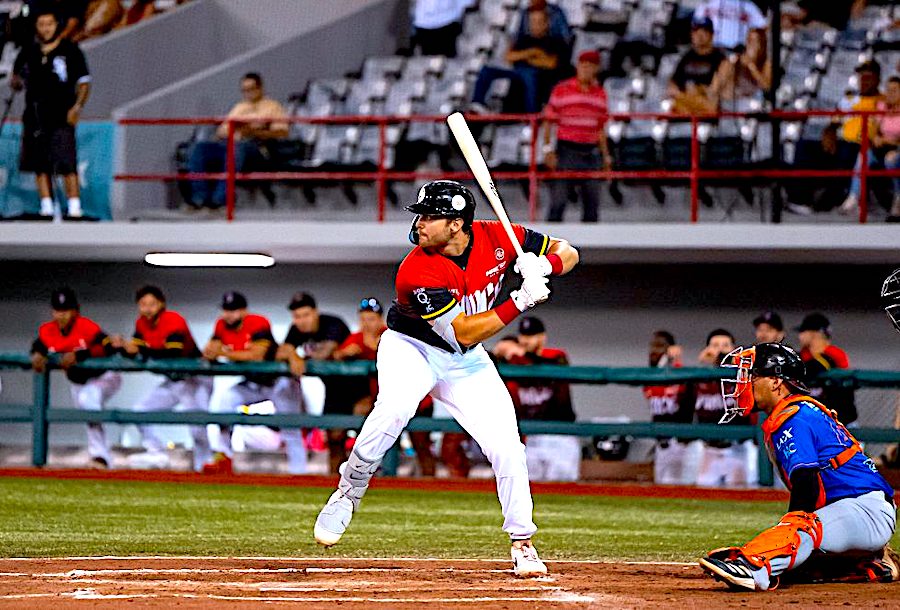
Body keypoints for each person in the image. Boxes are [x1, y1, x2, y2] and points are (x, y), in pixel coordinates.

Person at [313, 180, 579, 577]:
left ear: (457, 224)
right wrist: (521, 299)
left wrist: (546, 265)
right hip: (412, 348)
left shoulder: (500, 235)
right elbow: (465, 331)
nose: (420, 223)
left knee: (507, 446)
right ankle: (348, 491)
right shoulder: (415, 268)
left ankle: (522, 542)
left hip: (467, 362)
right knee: (395, 407)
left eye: (429, 216)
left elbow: (568, 250)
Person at [700, 342, 897, 591]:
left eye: (753, 375)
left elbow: (806, 483)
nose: (746, 382)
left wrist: (788, 531)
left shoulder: (793, 417)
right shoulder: (795, 410)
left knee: (801, 529)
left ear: (775, 382)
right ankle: (869, 565)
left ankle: (754, 568)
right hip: (856, 510)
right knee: (798, 562)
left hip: (864, 510)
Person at [110, 285, 213, 472]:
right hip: (174, 381)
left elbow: (171, 353)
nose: (148, 308)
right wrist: (122, 347)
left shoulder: (174, 320)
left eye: (152, 304)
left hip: (195, 378)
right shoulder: (141, 323)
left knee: (197, 426)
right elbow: (136, 352)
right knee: (140, 411)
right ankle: (156, 453)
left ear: (161, 304)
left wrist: (138, 349)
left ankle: (205, 466)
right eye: (143, 304)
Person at [333, 297, 437, 477]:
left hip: (419, 401)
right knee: (371, 439)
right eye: (363, 319)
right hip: (387, 403)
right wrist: (343, 353)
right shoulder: (356, 338)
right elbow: (336, 356)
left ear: (380, 319)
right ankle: (372, 477)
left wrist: (370, 348)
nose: (367, 324)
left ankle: (434, 486)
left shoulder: (392, 334)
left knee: (421, 445)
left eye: (371, 319)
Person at [10, 7, 91, 219]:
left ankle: (74, 207)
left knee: (66, 161)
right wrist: (17, 81)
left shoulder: (70, 50)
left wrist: (77, 107)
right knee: (39, 162)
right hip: (35, 115)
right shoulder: (29, 51)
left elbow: (83, 82)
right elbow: (16, 78)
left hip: (61, 114)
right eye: (41, 24)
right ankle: (46, 205)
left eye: (49, 24)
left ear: (57, 25)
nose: (45, 29)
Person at [30, 287, 120, 468]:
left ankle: (99, 457)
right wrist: (37, 354)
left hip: (104, 376)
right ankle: (102, 458)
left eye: (66, 310)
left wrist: (80, 355)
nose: (61, 315)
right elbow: (38, 346)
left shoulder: (87, 326)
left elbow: (109, 347)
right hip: (78, 382)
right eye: (57, 310)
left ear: (75, 311)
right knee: (87, 412)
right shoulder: (48, 330)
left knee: (89, 402)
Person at [276, 292, 357, 475]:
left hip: (358, 388)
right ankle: (336, 486)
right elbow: (281, 351)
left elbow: (327, 352)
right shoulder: (296, 330)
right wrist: (292, 355)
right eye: (297, 316)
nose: (302, 320)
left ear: (315, 312)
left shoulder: (332, 323)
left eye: (306, 315)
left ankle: (375, 482)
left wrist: (302, 357)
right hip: (334, 390)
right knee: (334, 439)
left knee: (366, 442)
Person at [201, 291, 278, 475]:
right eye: (226, 310)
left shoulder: (258, 322)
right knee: (225, 403)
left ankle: (299, 473)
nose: (228, 314)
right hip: (252, 383)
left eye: (233, 310)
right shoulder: (221, 325)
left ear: (243, 311)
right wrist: (217, 351)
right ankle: (224, 458)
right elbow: (209, 350)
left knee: (291, 427)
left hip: (278, 382)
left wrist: (225, 352)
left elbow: (257, 356)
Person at [187, 73, 288, 209]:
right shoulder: (239, 107)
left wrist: (252, 131)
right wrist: (228, 132)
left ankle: (219, 201)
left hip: (255, 147)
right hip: (229, 143)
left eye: (250, 89)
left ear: (260, 88)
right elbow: (222, 131)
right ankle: (199, 198)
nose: (247, 94)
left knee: (236, 149)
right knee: (199, 149)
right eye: (244, 90)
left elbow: (281, 132)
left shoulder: (272, 106)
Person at [501, 316, 579, 482]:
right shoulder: (515, 362)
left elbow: (555, 364)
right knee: (528, 488)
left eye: (532, 335)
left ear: (542, 337)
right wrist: (499, 351)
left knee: (564, 490)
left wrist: (520, 355)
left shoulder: (557, 356)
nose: (526, 340)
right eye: (523, 335)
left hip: (561, 435)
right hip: (531, 437)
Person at [542, 50, 611, 223]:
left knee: (592, 203)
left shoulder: (600, 94)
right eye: (583, 66)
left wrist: (606, 156)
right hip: (567, 150)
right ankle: (546, 246)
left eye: (589, 67)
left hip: (591, 152)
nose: (585, 70)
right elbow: (548, 121)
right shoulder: (561, 89)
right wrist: (548, 150)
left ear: (596, 69)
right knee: (558, 200)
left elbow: (600, 128)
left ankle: (590, 246)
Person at [469, 6, 567, 114]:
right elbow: (509, 57)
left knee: (529, 74)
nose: (535, 25)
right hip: (518, 70)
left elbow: (551, 63)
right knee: (487, 69)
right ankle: (477, 104)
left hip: (541, 76)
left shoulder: (555, 41)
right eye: (532, 21)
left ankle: (532, 113)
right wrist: (533, 52)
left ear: (546, 23)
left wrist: (525, 58)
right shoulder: (524, 39)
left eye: (539, 22)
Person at [694, 329, 756, 487]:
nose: (720, 349)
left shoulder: (744, 373)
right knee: (701, 498)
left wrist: (720, 359)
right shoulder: (697, 377)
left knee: (743, 500)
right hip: (708, 450)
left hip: (737, 449)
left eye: (725, 345)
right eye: (715, 345)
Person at [842, 75, 900, 220]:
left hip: (896, 149)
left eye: (895, 90)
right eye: (888, 90)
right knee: (864, 153)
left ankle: (898, 200)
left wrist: (889, 141)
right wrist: (875, 138)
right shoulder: (881, 108)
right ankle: (854, 197)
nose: (890, 93)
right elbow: (872, 129)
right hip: (882, 148)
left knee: (891, 159)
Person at [644, 330, 695, 485]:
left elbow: (688, 398)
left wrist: (676, 361)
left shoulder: (681, 374)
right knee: (661, 490)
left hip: (681, 444)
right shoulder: (648, 376)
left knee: (685, 490)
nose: (654, 350)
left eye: (660, 346)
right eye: (652, 346)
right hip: (661, 444)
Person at [839, 61, 885, 215]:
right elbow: (834, 119)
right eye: (861, 78)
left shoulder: (883, 101)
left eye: (868, 78)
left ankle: (854, 198)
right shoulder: (849, 100)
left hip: (865, 144)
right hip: (843, 141)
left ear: (878, 79)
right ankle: (799, 200)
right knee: (804, 146)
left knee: (858, 152)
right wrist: (829, 130)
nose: (863, 81)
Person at [795, 313, 857, 426]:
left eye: (803, 331)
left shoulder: (835, 355)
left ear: (814, 333)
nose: (800, 336)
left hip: (842, 422)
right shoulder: (802, 355)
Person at [667, 17, 726, 115]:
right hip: (687, 104)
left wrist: (697, 92)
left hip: (706, 107)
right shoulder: (687, 56)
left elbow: (713, 95)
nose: (700, 35)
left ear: (711, 34)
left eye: (704, 31)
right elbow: (672, 86)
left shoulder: (719, 58)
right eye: (696, 31)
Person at [708, 29, 772, 106]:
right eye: (749, 40)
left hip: (755, 102)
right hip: (733, 102)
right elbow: (716, 85)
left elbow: (766, 86)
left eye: (755, 41)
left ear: (761, 44)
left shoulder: (766, 63)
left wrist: (751, 67)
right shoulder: (734, 60)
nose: (751, 44)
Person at [692, 0, 767, 52]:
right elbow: (696, 28)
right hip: (712, 51)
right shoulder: (707, 4)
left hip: (737, 52)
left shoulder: (749, 6)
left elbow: (763, 27)